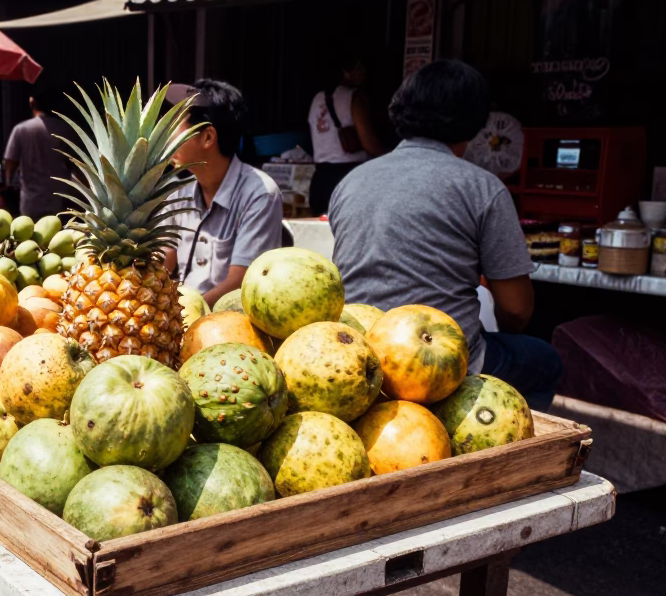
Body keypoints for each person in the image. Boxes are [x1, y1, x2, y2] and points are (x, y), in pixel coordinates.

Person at [328, 59, 560, 410]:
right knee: (543, 360)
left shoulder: (350, 182)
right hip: (438, 369)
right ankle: (514, 447)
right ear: (475, 122)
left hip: (357, 358)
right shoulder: (482, 187)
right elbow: (515, 310)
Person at [162, 79, 284, 307]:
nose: (167, 136)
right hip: (182, 315)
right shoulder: (178, 193)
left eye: (176, 125)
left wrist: (181, 315)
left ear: (208, 137)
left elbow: (240, 282)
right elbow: (164, 258)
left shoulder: (259, 194)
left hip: (230, 324)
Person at [307, 51, 386, 215]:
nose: (363, 73)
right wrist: (394, 158)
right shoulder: (355, 97)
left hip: (320, 178)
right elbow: (369, 143)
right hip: (348, 177)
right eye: (359, 69)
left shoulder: (316, 99)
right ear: (345, 72)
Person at [3, 87, 72, 220]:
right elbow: (75, 165)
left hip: (31, 202)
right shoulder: (65, 129)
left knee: (30, 238)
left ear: (31, 102)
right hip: (59, 201)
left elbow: (10, 163)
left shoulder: (21, 129)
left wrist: (8, 185)